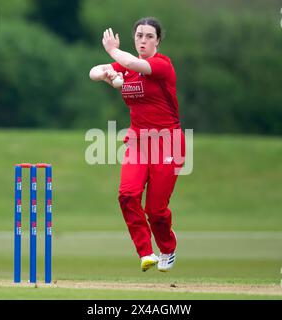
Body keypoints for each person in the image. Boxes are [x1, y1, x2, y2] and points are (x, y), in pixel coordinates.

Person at [89, 17, 185, 272]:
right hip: (138, 142)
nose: (143, 40)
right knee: (127, 195)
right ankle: (146, 252)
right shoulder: (125, 68)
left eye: (149, 36)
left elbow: (132, 62)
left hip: (168, 143)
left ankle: (168, 248)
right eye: (139, 36)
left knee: (156, 209)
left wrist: (112, 51)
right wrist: (107, 75)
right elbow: (93, 71)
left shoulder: (161, 65)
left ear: (158, 41)